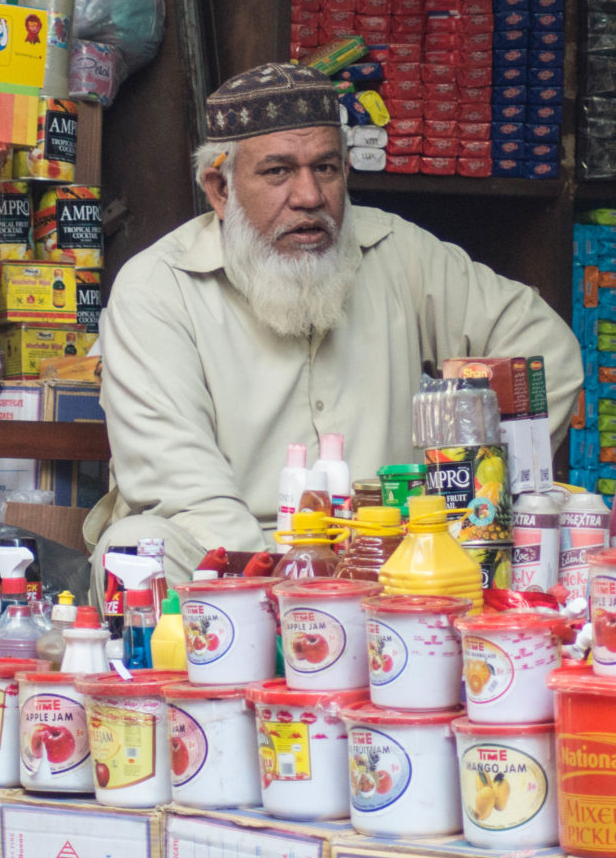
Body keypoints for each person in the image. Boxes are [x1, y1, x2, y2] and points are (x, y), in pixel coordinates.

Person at [86, 63, 582, 583]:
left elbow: (544, 346)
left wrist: (475, 488)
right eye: (278, 172)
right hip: (236, 556)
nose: (309, 197)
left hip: (393, 549)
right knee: (135, 551)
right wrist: (294, 584)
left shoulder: (400, 251)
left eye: (325, 168)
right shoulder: (158, 289)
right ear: (220, 189)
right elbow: (185, 489)